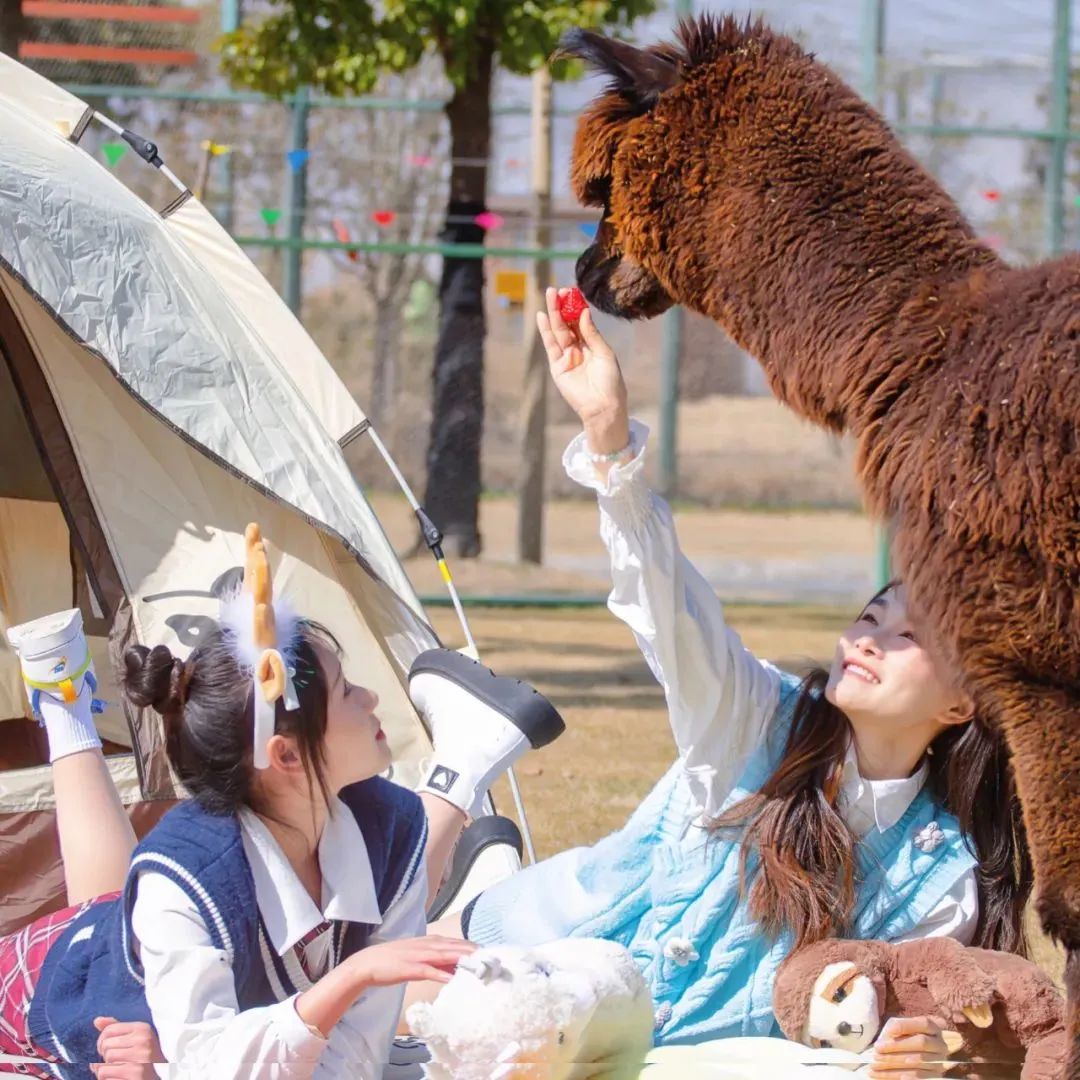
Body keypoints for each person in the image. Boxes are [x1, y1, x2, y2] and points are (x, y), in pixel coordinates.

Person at [423, 289, 1032, 1080]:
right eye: (869, 616)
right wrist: (609, 438)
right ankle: (465, 811)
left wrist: (906, 1050)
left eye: (906, 637)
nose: (864, 640)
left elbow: (875, 1026)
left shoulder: (943, 877)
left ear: (962, 703)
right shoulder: (758, 720)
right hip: (531, 971)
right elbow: (668, 606)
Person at [0, 526, 555, 1079]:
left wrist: (354, 985)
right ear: (285, 754)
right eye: (346, 692)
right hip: (45, 1006)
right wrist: (353, 977)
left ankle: (62, 698)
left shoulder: (394, 824)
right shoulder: (184, 879)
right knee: (104, 919)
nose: (372, 698)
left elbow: (356, 1060)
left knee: (109, 905)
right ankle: (64, 704)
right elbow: (212, 1069)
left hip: (163, 983)